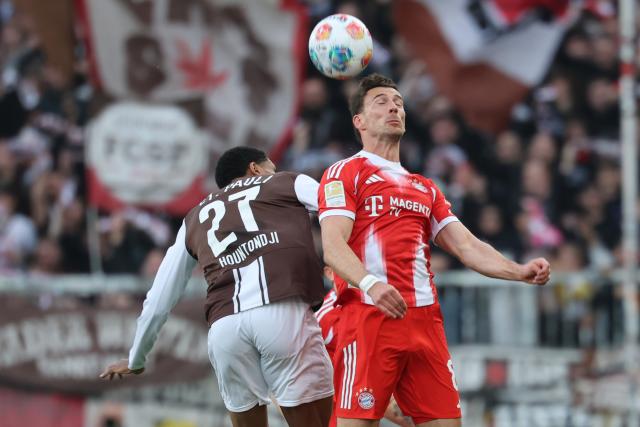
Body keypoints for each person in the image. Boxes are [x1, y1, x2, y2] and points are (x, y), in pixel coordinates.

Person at [318, 74, 551, 427]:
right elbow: (332, 246)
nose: (394, 106)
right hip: (370, 318)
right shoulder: (345, 173)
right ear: (359, 121)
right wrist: (372, 284)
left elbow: (466, 245)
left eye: (398, 101)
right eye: (381, 101)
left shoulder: (424, 187)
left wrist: (518, 270)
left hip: (425, 325)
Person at [100, 147, 334, 427]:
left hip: (225, 328)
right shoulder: (287, 181)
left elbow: (160, 297)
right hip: (282, 309)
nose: (274, 171)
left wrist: (136, 356)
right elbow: (337, 208)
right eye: (270, 167)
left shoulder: (194, 217)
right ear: (255, 169)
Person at [315, 266, 414, 427]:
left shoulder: (373, 306)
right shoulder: (323, 319)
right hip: (340, 415)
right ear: (329, 273)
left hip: (364, 405)